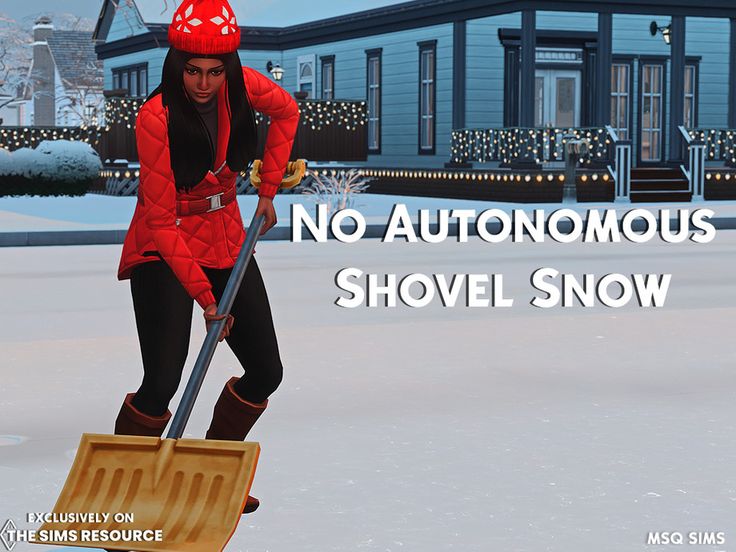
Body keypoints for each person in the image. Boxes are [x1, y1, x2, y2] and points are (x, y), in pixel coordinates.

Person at [113, 0, 300, 515]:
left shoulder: (241, 89)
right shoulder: (155, 117)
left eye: (215, 72)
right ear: (177, 66)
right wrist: (205, 298)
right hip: (162, 244)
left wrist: (266, 191)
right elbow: (161, 221)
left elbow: (287, 110)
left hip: (225, 237)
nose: (203, 83)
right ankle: (120, 497)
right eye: (193, 71)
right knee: (164, 379)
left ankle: (211, 475)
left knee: (266, 371)